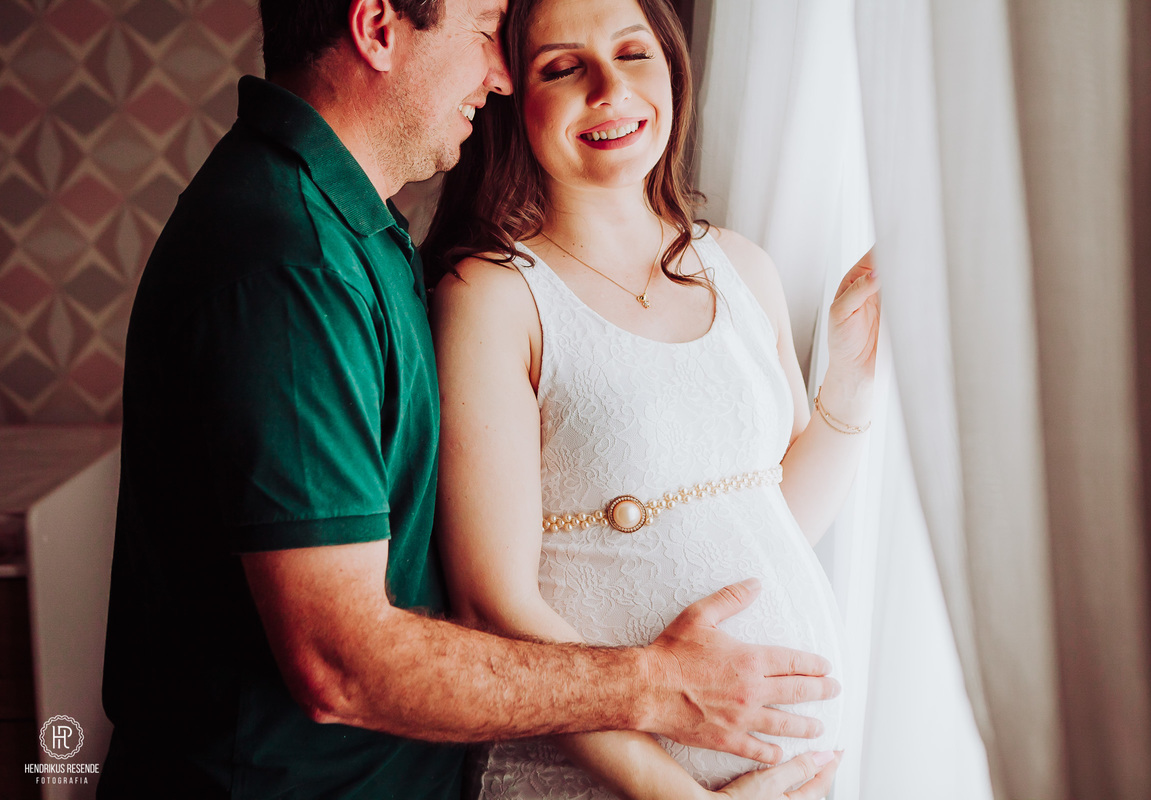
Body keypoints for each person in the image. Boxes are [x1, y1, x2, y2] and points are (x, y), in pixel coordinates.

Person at [97, 0, 845, 797]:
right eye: (488, 31)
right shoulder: (292, 265)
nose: (500, 76)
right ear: (378, 28)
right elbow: (338, 662)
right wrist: (653, 687)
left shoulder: (353, 228)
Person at [422, 0, 881, 796]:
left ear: (673, 67)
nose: (610, 88)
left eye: (633, 53)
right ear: (511, 99)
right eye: (563, 68)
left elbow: (772, 524)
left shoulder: (742, 268)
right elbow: (490, 604)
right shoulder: (492, 296)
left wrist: (850, 384)